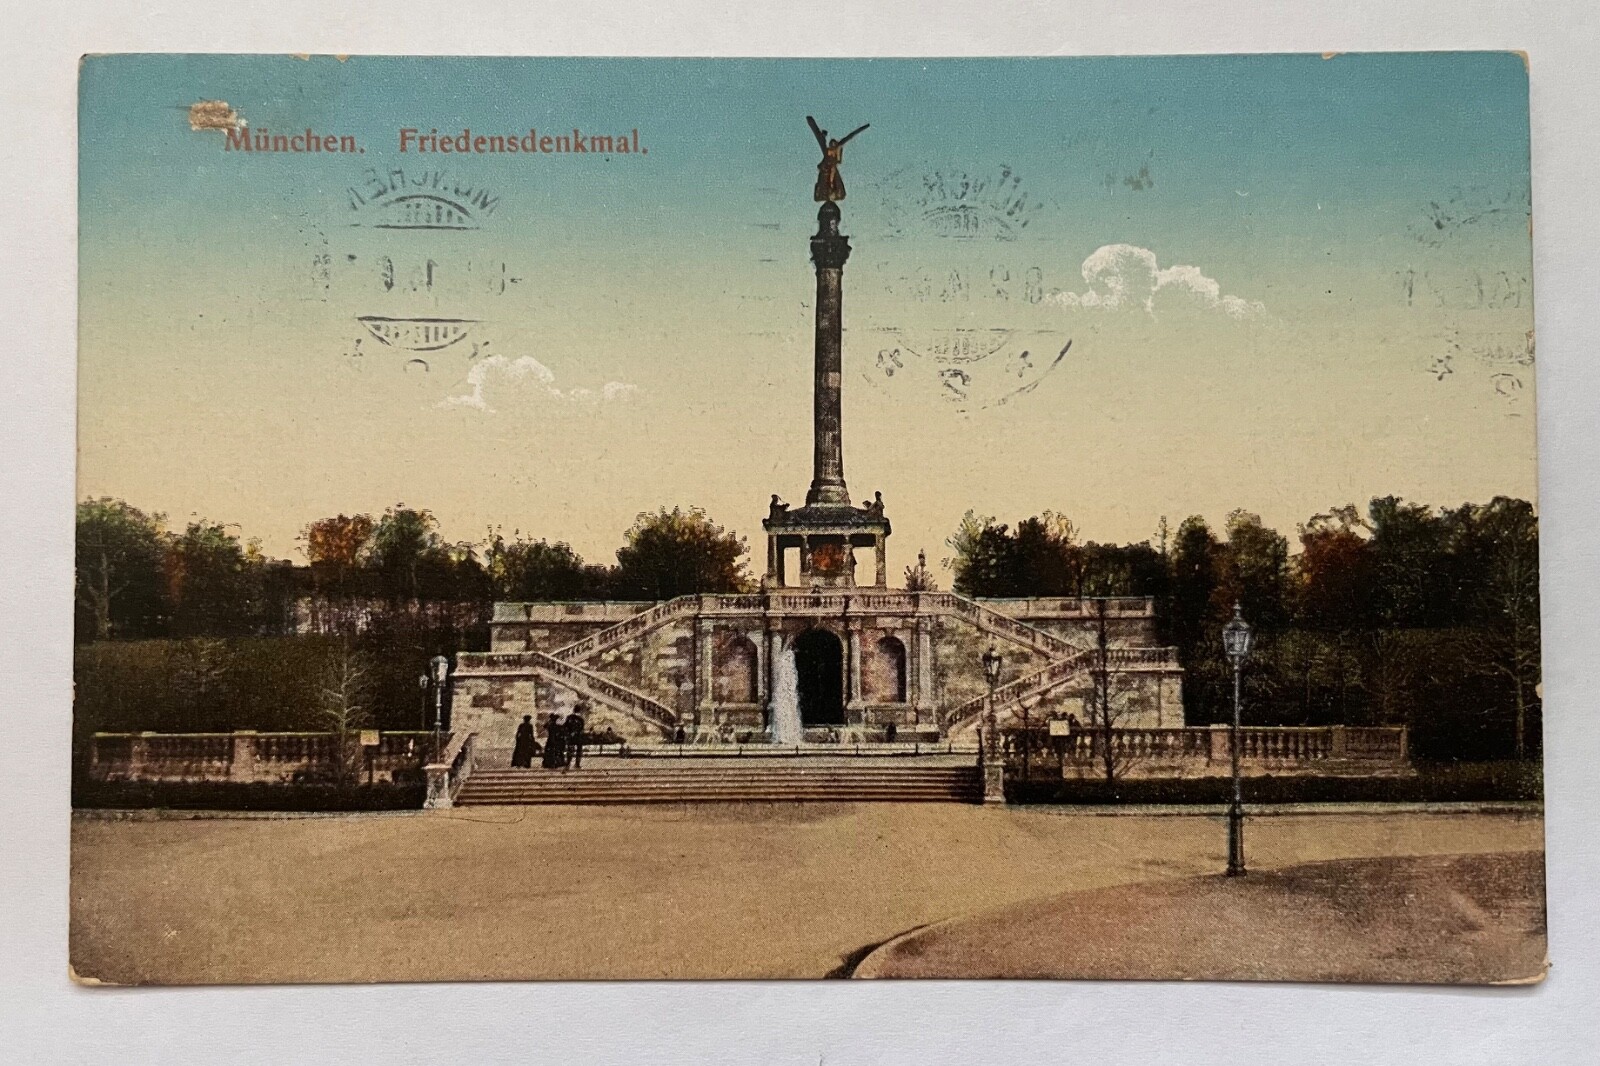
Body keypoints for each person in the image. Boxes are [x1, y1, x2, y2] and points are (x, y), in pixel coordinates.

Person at [565, 704, 587, 770]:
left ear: (573, 710)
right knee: (579, 750)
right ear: (580, 710)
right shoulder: (581, 719)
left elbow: (565, 726)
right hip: (578, 737)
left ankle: (568, 764)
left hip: (571, 736)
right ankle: (577, 764)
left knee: (570, 750)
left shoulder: (569, 717)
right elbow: (582, 729)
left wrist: (569, 733)